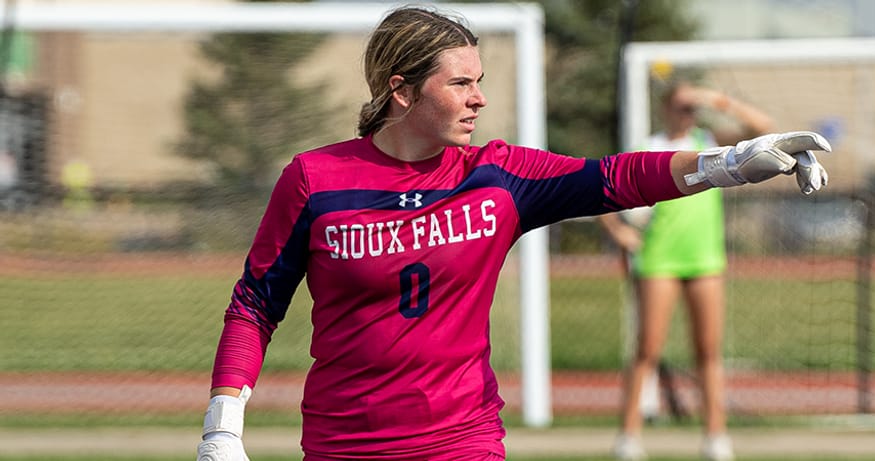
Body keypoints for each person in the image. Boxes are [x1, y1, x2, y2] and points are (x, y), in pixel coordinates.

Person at [196, 5, 829, 460]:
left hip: (464, 438)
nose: (479, 99)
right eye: (461, 83)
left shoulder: (499, 175)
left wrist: (730, 163)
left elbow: (613, 176)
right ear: (402, 91)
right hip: (346, 444)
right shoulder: (315, 178)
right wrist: (223, 425)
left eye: (480, 81)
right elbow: (254, 304)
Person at [598, 82, 774, 461]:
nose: (687, 114)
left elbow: (763, 131)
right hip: (660, 258)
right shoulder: (648, 148)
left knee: (708, 351)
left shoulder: (709, 142)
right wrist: (620, 231)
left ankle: (715, 436)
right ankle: (628, 437)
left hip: (705, 258)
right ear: (666, 108)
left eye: (692, 108)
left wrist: (717, 99)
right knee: (647, 348)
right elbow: (603, 193)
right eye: (681, 106)